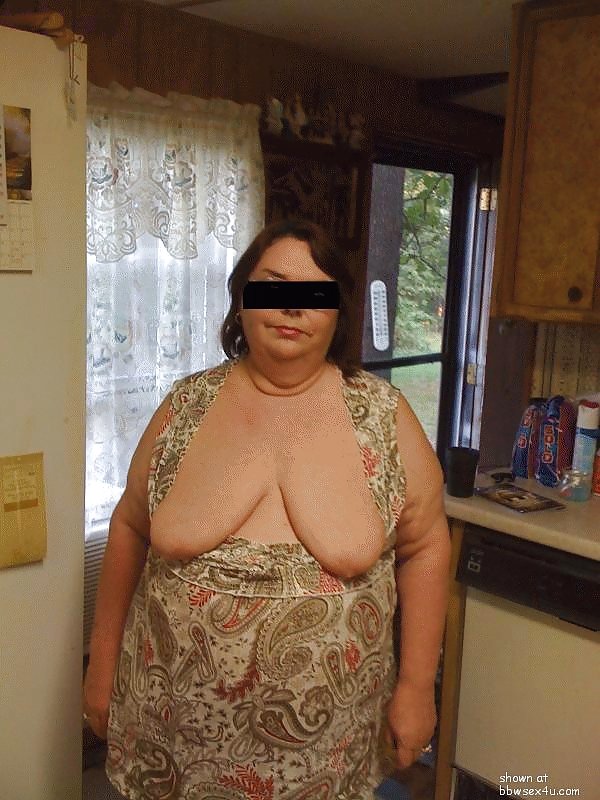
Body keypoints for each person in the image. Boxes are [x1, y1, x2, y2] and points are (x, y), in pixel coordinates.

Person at [83, 218, 451, 800]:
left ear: (337, 313)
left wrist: (416, 686)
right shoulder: (185, 405)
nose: (292, 307)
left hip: (327, 752)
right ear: (242, 300)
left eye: (314, 293)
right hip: (171, 740)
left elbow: (427, 544)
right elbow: (130, 525)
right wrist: (101, 663)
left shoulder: (384, 417)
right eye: (273, 286)